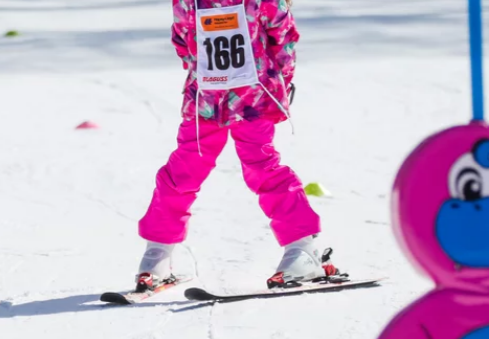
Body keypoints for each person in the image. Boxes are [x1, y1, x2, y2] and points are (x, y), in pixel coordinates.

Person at [134, 0, 337, 292]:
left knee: (261, 168)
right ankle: (157, 254)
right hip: (207, 102)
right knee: (183, 172)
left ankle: (301, 249)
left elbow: (283, 38)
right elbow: (183, 40)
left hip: (253, 99)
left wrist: (279, 80)